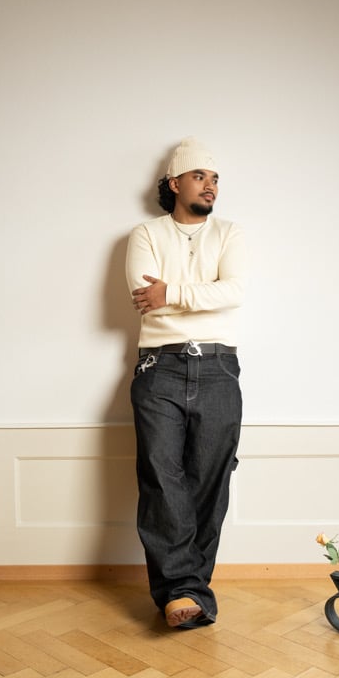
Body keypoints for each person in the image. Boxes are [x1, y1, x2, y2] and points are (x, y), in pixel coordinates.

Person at [125, 137, 246, 629]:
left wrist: (171, 293)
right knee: (162, 479)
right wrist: (201, 296)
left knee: (210, 480)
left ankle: (190, 590)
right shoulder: (146, 233)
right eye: (200, 176)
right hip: (160, 366)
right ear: (174, 183)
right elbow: (142, 295)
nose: (210, 185)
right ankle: (181, 593)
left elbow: (234, 291)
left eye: (215, 179)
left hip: (218, 367)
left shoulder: (230, 232)